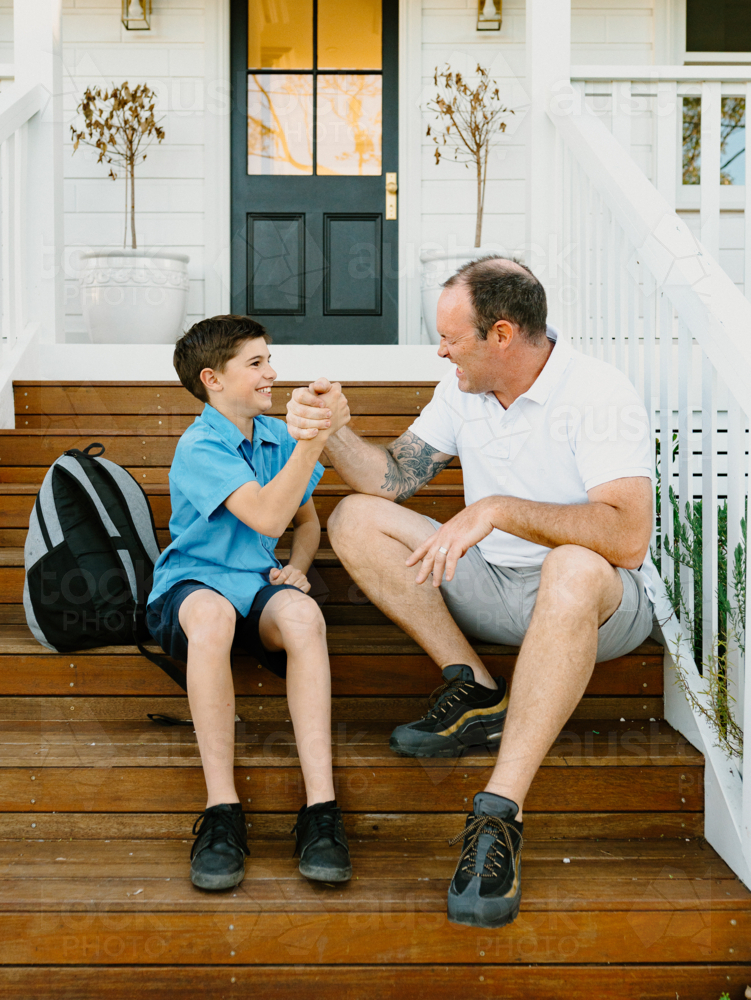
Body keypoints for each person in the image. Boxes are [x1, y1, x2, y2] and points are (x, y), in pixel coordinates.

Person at [284, 256, 654, 929]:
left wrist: (499, 510)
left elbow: (626, 540)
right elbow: (392, 480)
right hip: (489, 588)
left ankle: (499, 813)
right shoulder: (462, 390)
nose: (440, 349)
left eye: (451, 338)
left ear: (502, 334)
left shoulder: (598, 393)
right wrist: (331, 429)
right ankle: (476, 688)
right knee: (354, 519)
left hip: (594, 607)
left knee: (569, 566)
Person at [146, 315, 352, 891]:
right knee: (211, 618)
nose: (272, 373)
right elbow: (265, 515)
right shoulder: (199, 446)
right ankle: (221, 812)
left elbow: (305, 522)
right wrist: (314, 441)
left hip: (257, 585)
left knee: (305, 616)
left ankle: (320, 810)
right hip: (193, 589)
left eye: (270, 358)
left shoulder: (278, 439)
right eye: (256, 363)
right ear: (212, 379)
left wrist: (299, 569)